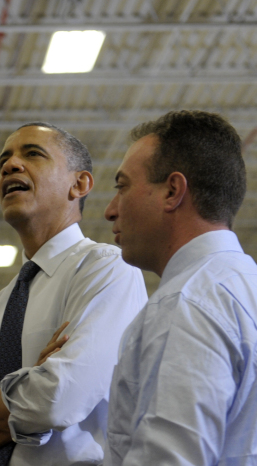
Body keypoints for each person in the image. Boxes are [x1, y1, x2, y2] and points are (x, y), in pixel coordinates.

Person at [0, 123, 147, 465]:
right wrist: (32, 386)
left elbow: (59, 400)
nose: (10, 166)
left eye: (32, 154)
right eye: (5, 160)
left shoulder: (106, 269)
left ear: (79, 184)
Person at [103, 110, 257, 465]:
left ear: (172, 191)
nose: (111, 210)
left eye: (122, 186)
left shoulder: (187, 304)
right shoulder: (242, 288)